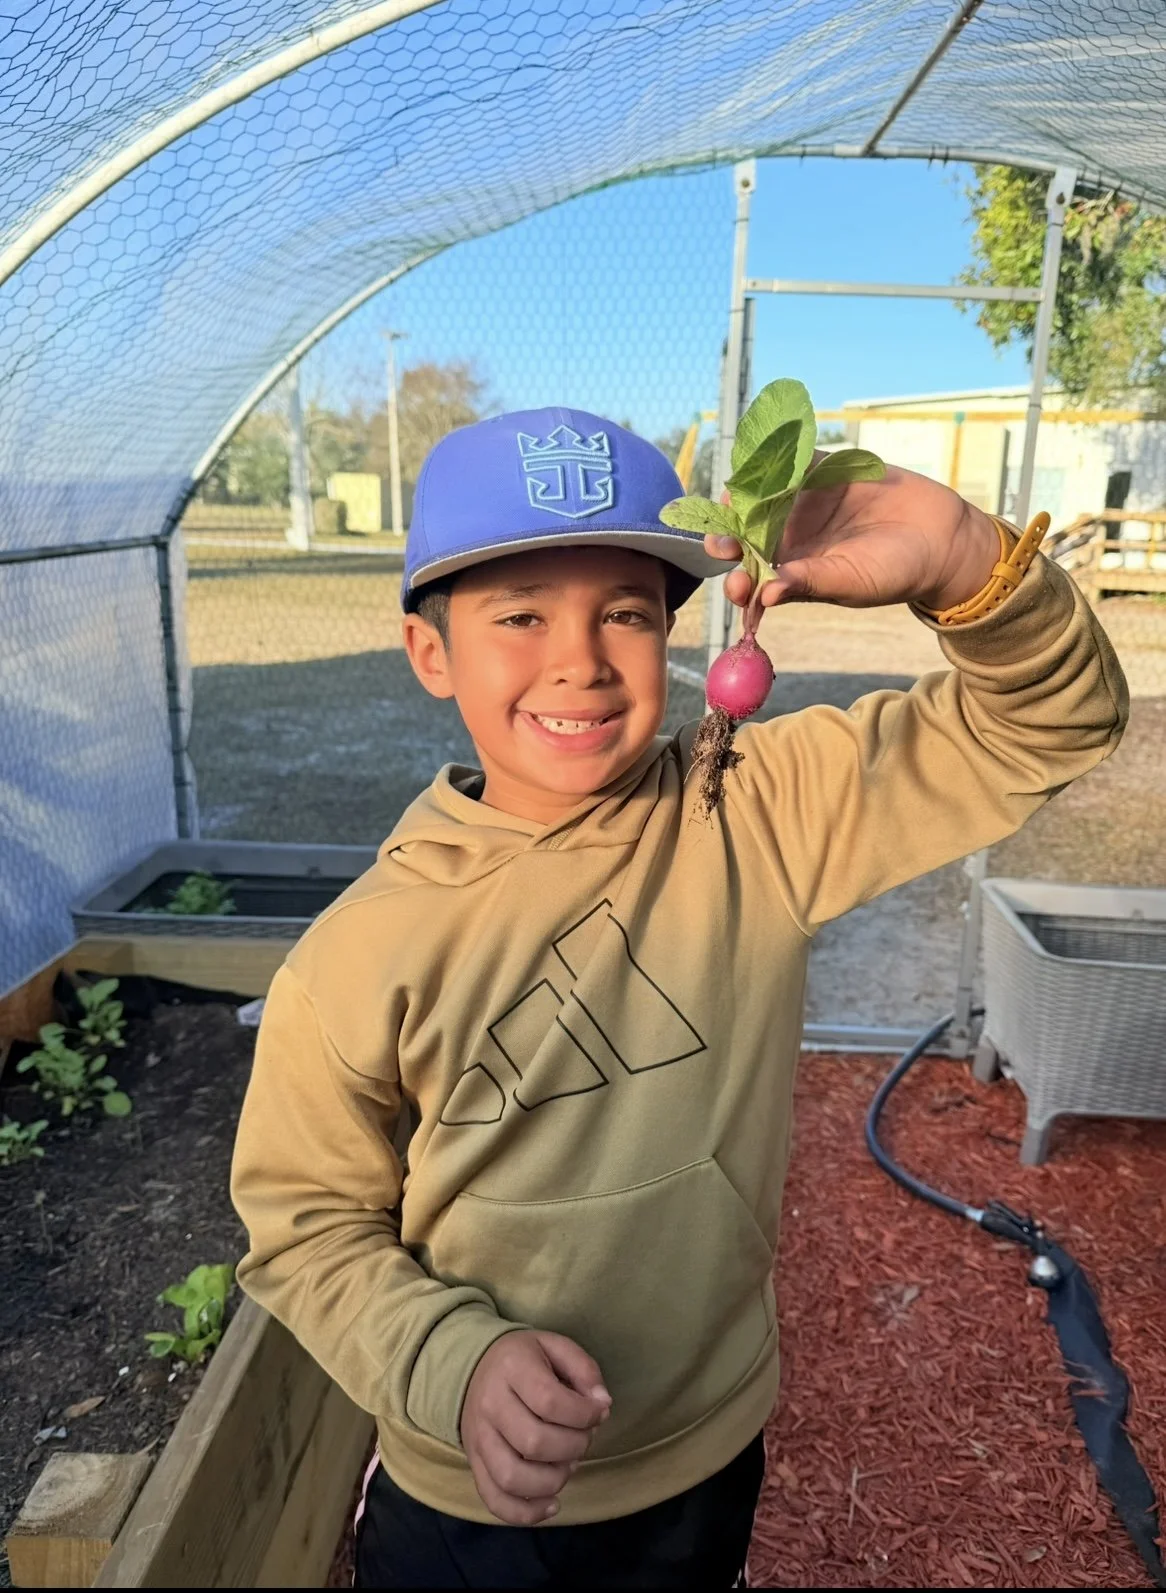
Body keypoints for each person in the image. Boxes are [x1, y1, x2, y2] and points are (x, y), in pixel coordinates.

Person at [230, 406, 1126, 1589]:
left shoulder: (750, 813)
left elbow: (1051, 722)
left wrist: (964, 557)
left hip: (706, 1442)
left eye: (627, 613)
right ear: (429, 652)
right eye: (519, 615)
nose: (580, 659)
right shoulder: (359, 953)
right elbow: (303, 1228)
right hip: (470, 1491)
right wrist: (445, 1360)